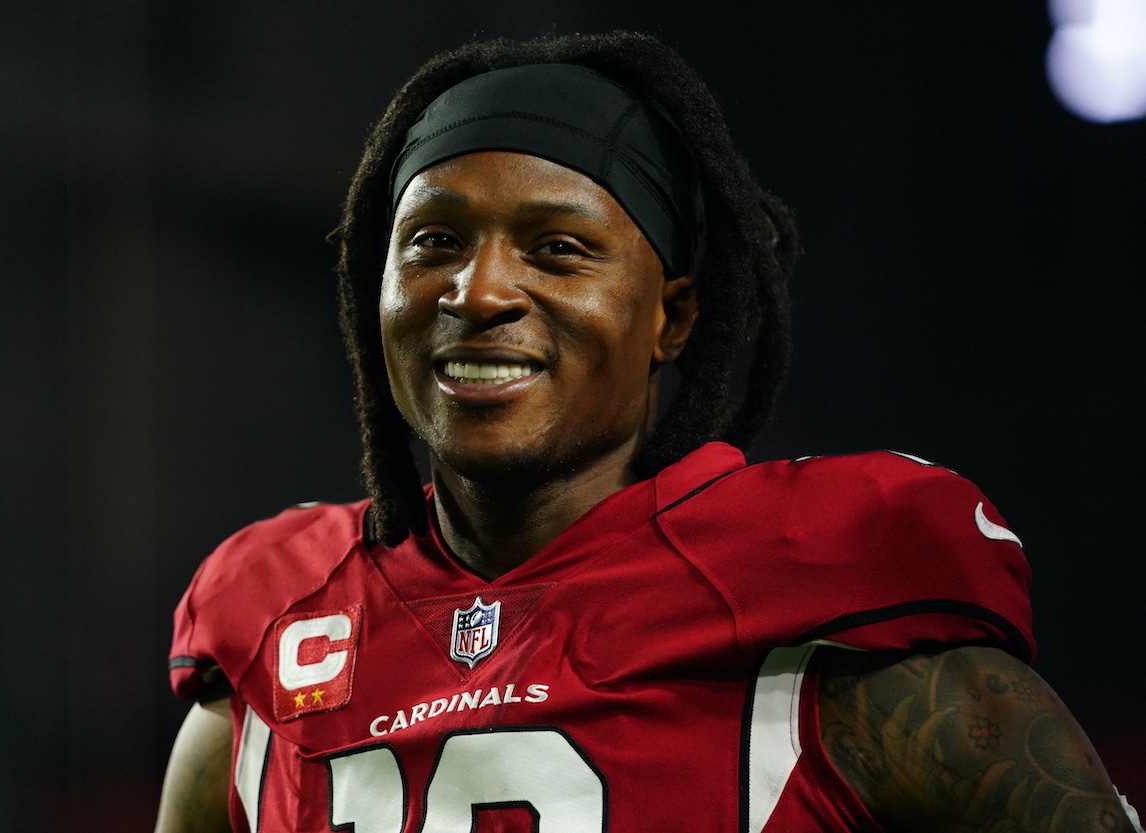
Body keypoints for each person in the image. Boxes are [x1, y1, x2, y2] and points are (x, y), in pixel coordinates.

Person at [155, 31, 1142, 833]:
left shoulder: (824, 602)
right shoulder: (274, 626)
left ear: (670, 318)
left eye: (557, 249)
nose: (480, 291)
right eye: (434, 243)